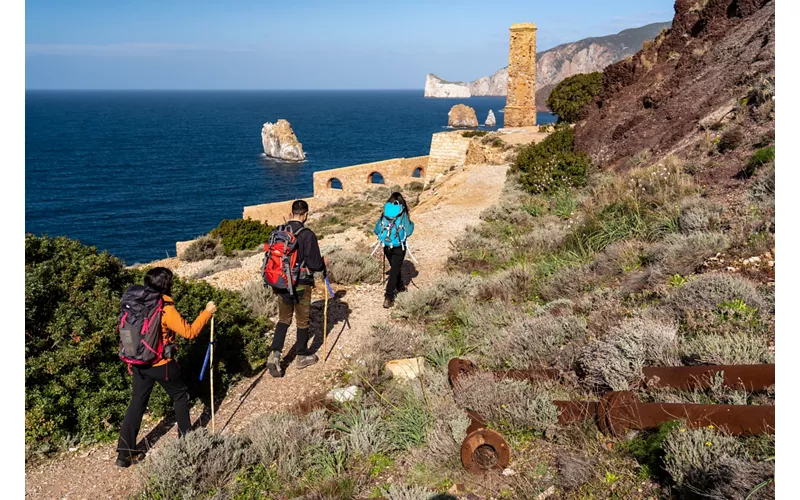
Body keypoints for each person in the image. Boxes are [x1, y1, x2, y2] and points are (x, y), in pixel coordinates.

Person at [115, 267, 216, 468]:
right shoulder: (164, 307)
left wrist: (132, 359)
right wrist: (207, 312)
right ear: (167, 285)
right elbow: (189, 332)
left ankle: (123, 455)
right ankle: (186, 442)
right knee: (181, 397)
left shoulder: (135, 302)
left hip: (137, 363)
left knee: (137, 404)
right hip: (162, 364)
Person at [266, 199, 328, 378]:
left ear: (291, 212)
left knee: (283, 319)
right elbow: (315, 264)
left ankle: (275, 354)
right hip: (301, 283)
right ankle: (301, 356)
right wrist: (323, 263)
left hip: (281, 283)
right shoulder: (307, 234)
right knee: (302, 320)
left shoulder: (280, 231)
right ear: (306, 214)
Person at [374, 192, 414, 308]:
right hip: (398, 246)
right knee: (394, 270)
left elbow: (377, 229)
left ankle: (400, 286)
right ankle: (388, 296)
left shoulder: (385, 212)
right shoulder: (402, 213)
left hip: (386, 245)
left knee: (394, 268)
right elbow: (409, 231)